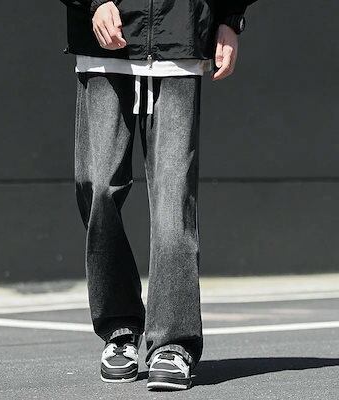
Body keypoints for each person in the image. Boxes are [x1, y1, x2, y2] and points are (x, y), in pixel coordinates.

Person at [59, 0, 258, 391]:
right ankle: (120, 327)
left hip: (178, 39)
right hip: (105, 46)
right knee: (97, 188)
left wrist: (230, 17)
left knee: (173, 199)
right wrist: (95, 2)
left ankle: (172, 342)